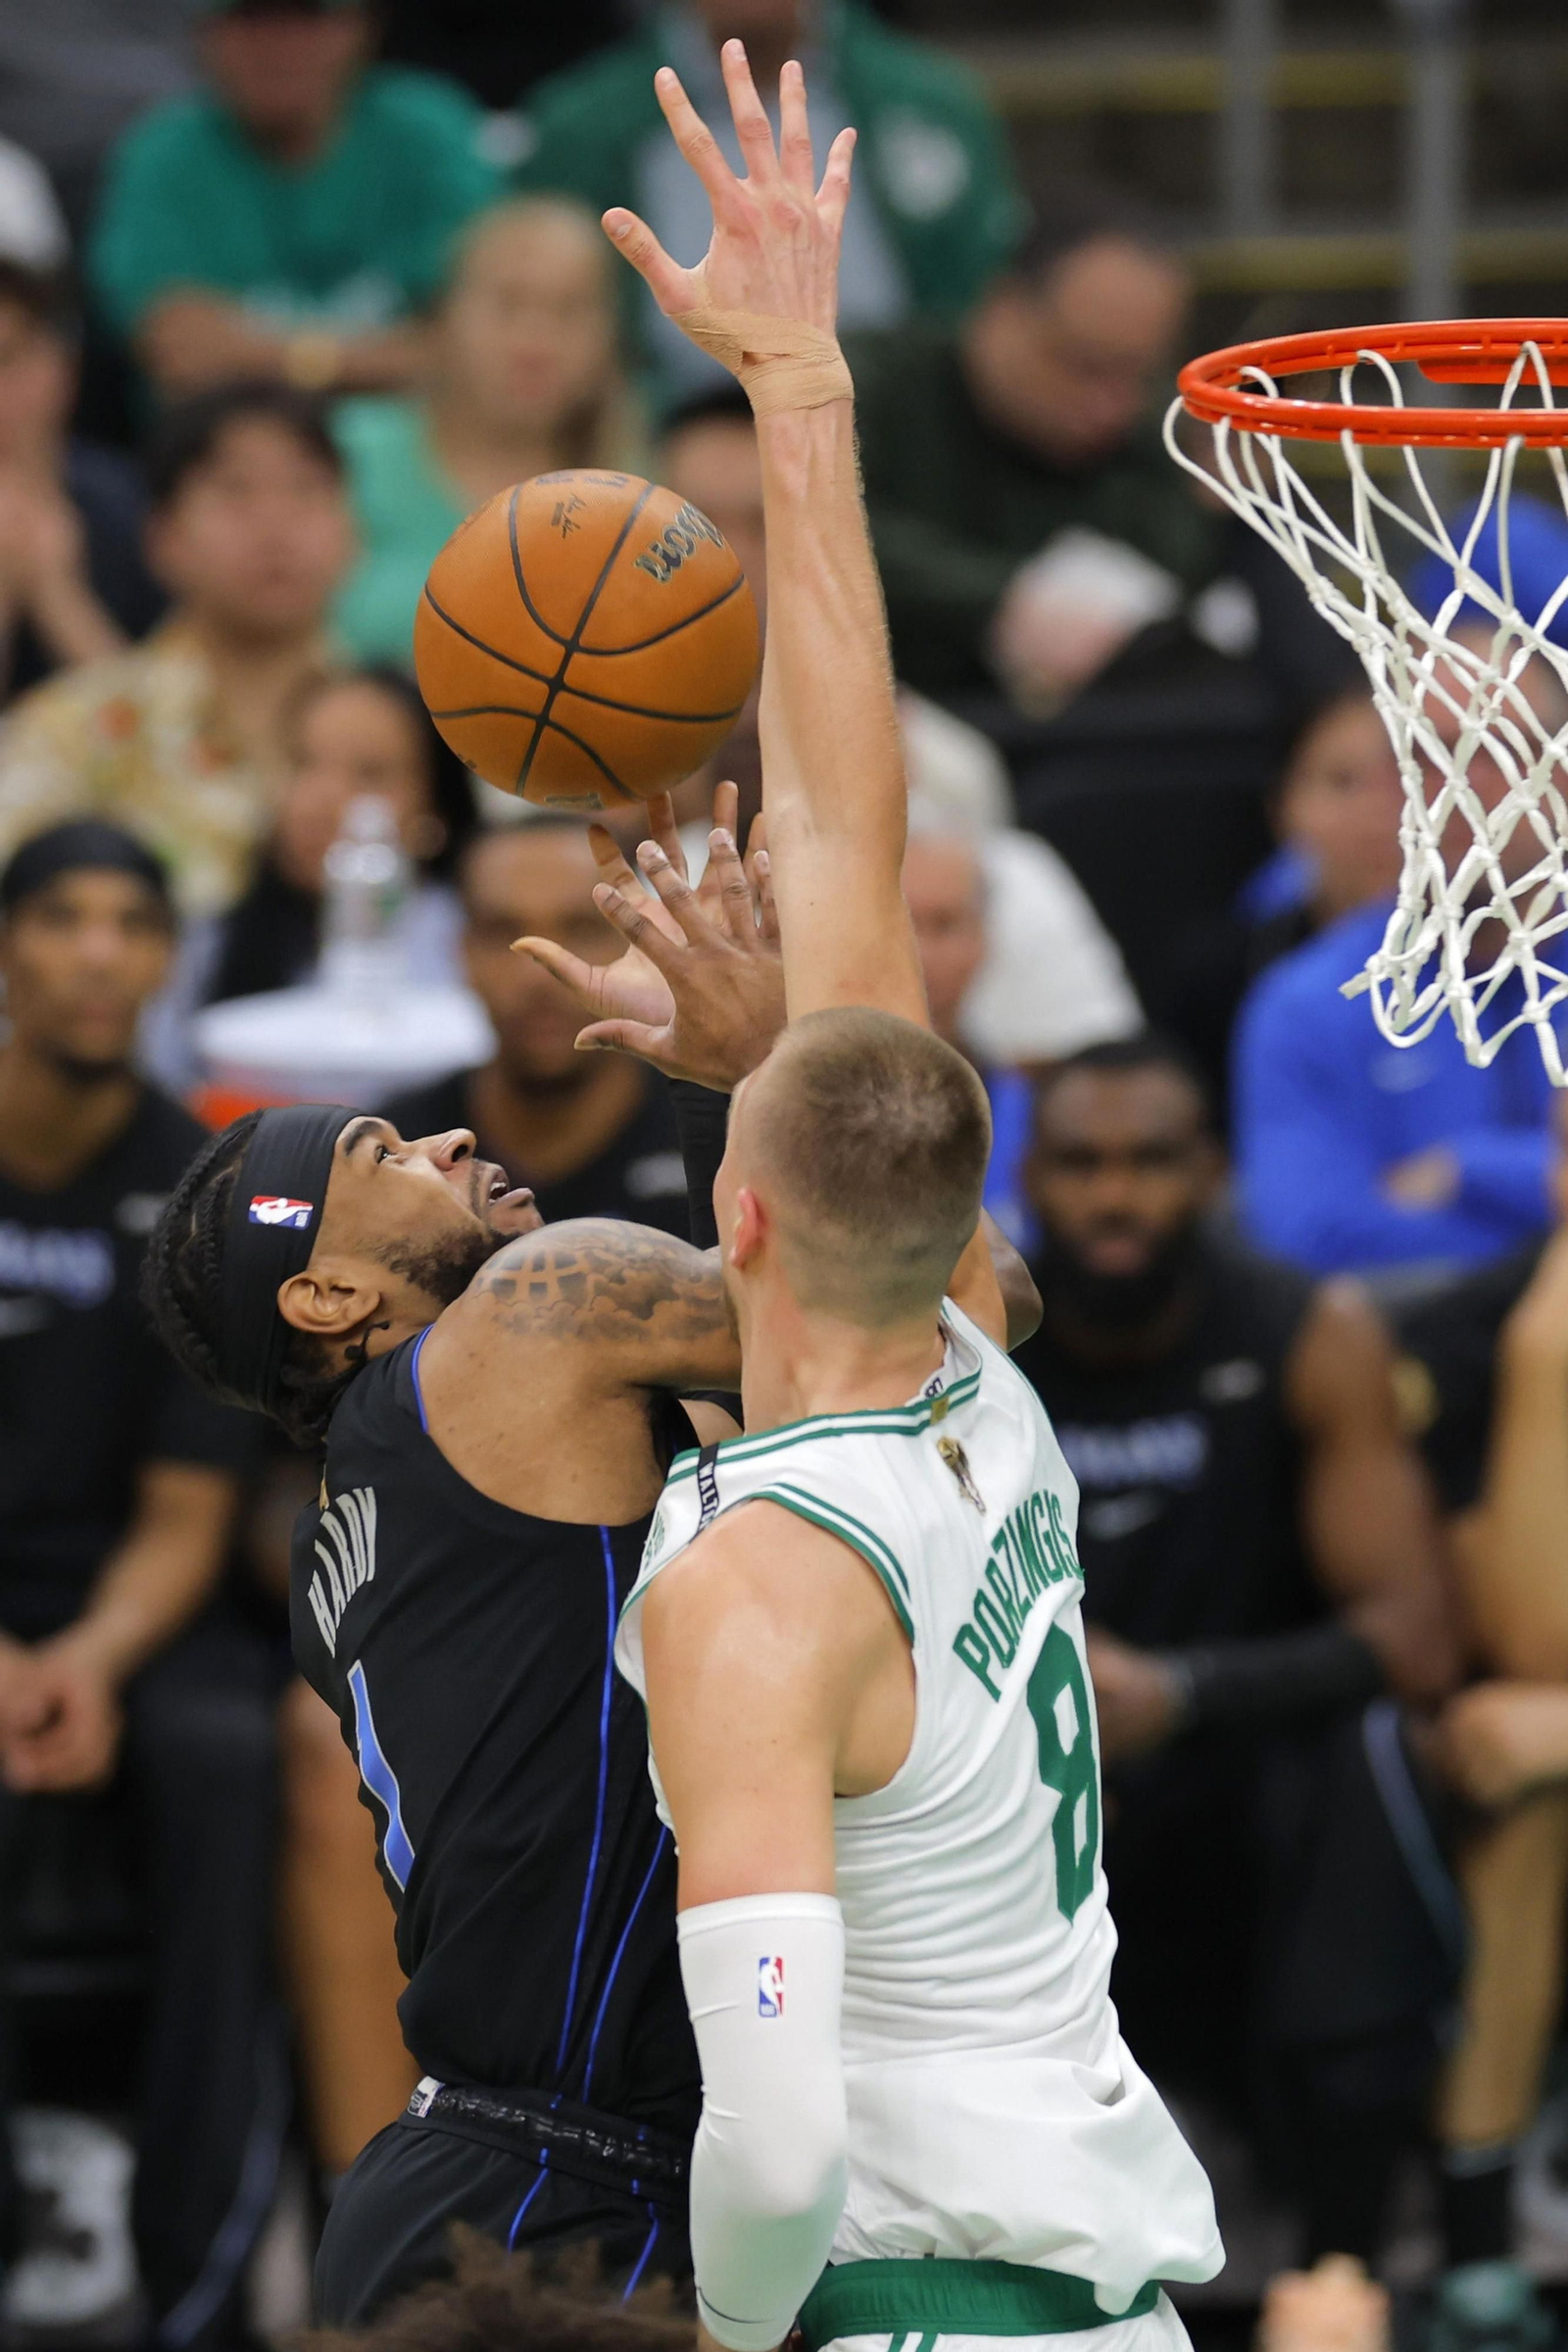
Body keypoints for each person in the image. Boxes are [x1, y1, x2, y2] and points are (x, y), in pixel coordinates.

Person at [139, 47, 1034, 2327]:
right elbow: (963, 1306)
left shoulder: (400, 1486)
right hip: (578, 2196)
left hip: (529, 2165)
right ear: (330, 1303)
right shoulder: (533, 1326)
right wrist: (766, 1058)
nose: (451, 1133)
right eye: (377, 1159)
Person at [583, 46, 1225, 2352]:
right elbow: (851, 833)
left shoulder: (761, 1585)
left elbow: (771, 2149)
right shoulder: (986, 1381)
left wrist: (725, 2331)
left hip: (917, 2306)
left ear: (737, 1217)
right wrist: (803, 389)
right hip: (1104, 2302)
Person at [1004, 1034, 1459, 2265]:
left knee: (1370, 1754)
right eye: (1081, 1164)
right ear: (1028, 1178)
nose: (1114, 1197)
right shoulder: (963, 1349)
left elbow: (1415, 1638)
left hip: (1245, 1775)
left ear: (1210, 1172)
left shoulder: (1307, 1332)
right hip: (1027, 1781)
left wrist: (1183, 1693)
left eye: (1149, 1161)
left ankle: (1345, 2269)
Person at [0, 819, 279, 2350]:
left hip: (132, 1608)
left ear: (169, 962)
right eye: (63, 919)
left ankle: (197, 2277)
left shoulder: (197, 1186)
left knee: (226, 1755)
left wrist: (87, 1662)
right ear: (9, 949)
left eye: (132, 923)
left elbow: (189, 1508)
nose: (99, 954)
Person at [658, 382, 1143, 1077]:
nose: (726, 556)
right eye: (691, 526)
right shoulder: (550, 736)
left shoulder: (946, 763)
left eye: (763, 522)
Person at [1233, 639, 1568, 1276]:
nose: (1462, 785)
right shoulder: (1309, 1002)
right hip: (1412, 1331)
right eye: (1430, 755)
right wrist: (1546, 1199)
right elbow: (1306, 1238)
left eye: (1496, 751)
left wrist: (1467, 1169)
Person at [1392, 1172, 1568, 2349]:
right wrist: (1546, 1360)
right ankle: (1477, 2259)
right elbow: (1532, 1648)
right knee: (1519, 1797)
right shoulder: (1478, 1326)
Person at [513, 0, 1023, 401]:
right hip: (659, 440)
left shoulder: (935, 105)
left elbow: (990, 304)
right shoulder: (578, 131)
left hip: (900, 430)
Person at [0, 380, 354, 917]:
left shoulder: (410, 725)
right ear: (162, 539)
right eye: (235, 491)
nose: (275, 524)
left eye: (306, 489)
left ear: (353, 531)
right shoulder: (73, 728)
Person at [846, 199, 1219, 703]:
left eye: (1136, 375)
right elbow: (803, 531)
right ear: (1003, 310)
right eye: (1083, 365)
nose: (1110, 405)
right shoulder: (858, 387)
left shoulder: (1151, 429)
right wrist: (1002, 598)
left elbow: (1187, 573)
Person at [87, 0, 499, 405]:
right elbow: (175, 348)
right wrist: (393, 356)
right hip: (230, 440)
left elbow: (483, 346)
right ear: (206, 35)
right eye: (252, 18)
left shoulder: (427, 132)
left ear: (361, 28)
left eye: (308, 18)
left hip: (419, 441)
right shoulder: (164, 155)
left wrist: (271, 357)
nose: (279, 46)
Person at [333, 198, 650, 665]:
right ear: (444, 317)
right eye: (507, 304)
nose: (536, 342)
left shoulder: (642, 497)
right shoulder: (342, 456)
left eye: (569, 310)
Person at [381, 820, 694, 1237]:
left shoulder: (726, 1141)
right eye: (502, 933)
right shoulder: (397, 1152)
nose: (540, 974)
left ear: (638, 946)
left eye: (581, 929)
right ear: (461, 952)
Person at [1166, 688, 1406, 1119]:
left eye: (1409, 779)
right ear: (1282, 806)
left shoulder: (1503, 965)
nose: (1377, 810)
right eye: (1343, 782)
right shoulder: (1216, 977)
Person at [0, 259, 165, 705]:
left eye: (6, 360)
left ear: (61, 367)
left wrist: (56, 592)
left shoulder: (136, 508)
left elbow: (161, 730)